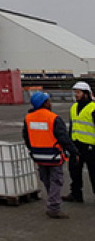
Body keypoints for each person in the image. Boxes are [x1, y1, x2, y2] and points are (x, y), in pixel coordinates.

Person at [23, 90, 79, 219]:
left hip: (38, 156)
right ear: (45, 103)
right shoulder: (53, 118)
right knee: (56, 181)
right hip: (53, 156)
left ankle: (52, 201)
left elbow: (26, 137)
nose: (50, 103)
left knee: (47, 180)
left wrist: (33, 150)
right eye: (48, 101)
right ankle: (54, 207)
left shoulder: (28, 118)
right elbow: (64, 139)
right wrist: (74, 152)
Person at [65, 80, 95, 202]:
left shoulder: (93, 108)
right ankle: (76, 194)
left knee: (94, 173)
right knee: (74, 171)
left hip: (90, 146)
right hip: (76, 145)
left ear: (86, 93)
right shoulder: (74, 107)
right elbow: (72, 126)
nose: (76, 95)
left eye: (78, 92)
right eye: (75, 92)